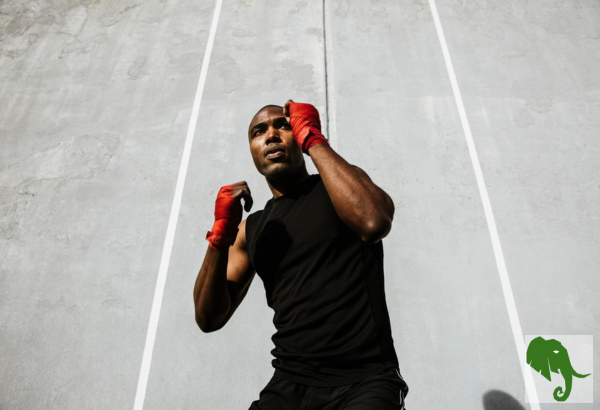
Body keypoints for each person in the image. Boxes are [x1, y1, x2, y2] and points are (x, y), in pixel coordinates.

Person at [193, 100, 409, 409]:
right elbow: (207, 317)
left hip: (365, 381)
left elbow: (374, 223)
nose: (271, 135)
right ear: (252, 149)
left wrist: (314, 140)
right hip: (290, 385)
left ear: (298, 132)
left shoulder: (342, 188)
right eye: (259, 132)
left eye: (282, 125)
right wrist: (218, 236)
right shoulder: (250, 229)